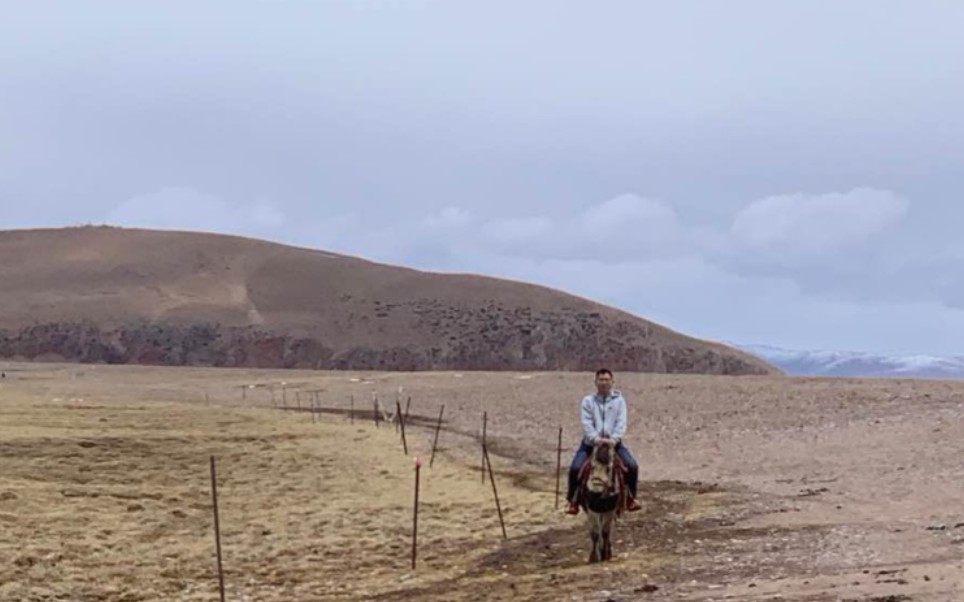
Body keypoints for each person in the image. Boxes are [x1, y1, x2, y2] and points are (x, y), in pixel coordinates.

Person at [565, 368, 641, 514]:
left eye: (607, 380)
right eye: (601, 380)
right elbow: (587, 423)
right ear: (596, 382)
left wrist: (614, 439)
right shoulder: (588, 401)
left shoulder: (619, 401)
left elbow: (621, 422)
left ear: (612, 382)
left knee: (632, 466)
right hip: (590, 444)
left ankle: (631, 499)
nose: (604, 383)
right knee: (575, 468)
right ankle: (572, 501)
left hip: (614, 444)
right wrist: (596, 439)